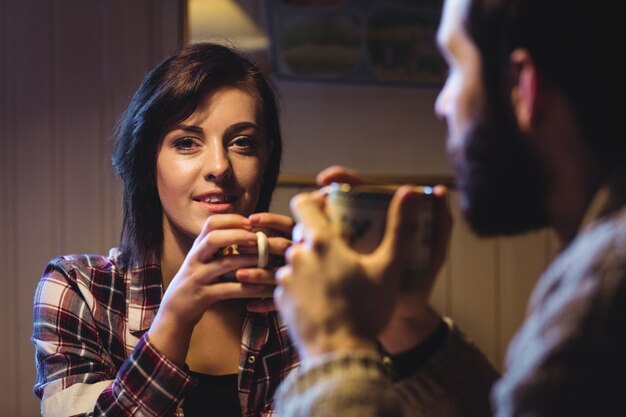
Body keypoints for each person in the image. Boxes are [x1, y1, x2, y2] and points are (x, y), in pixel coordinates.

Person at [273, 0, 625, 416]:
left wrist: (334, 346)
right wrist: (404, 321)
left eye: (455, 66)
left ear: (525, 87)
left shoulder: (601, 293)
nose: (442, 104)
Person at [32, 42, 299, 417]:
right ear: (148, 159)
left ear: (266, 157)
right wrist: (176, 315)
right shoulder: (79, 289)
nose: (220, 166)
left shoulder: (297, 295)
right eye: (187, 142)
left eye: (242, 142)